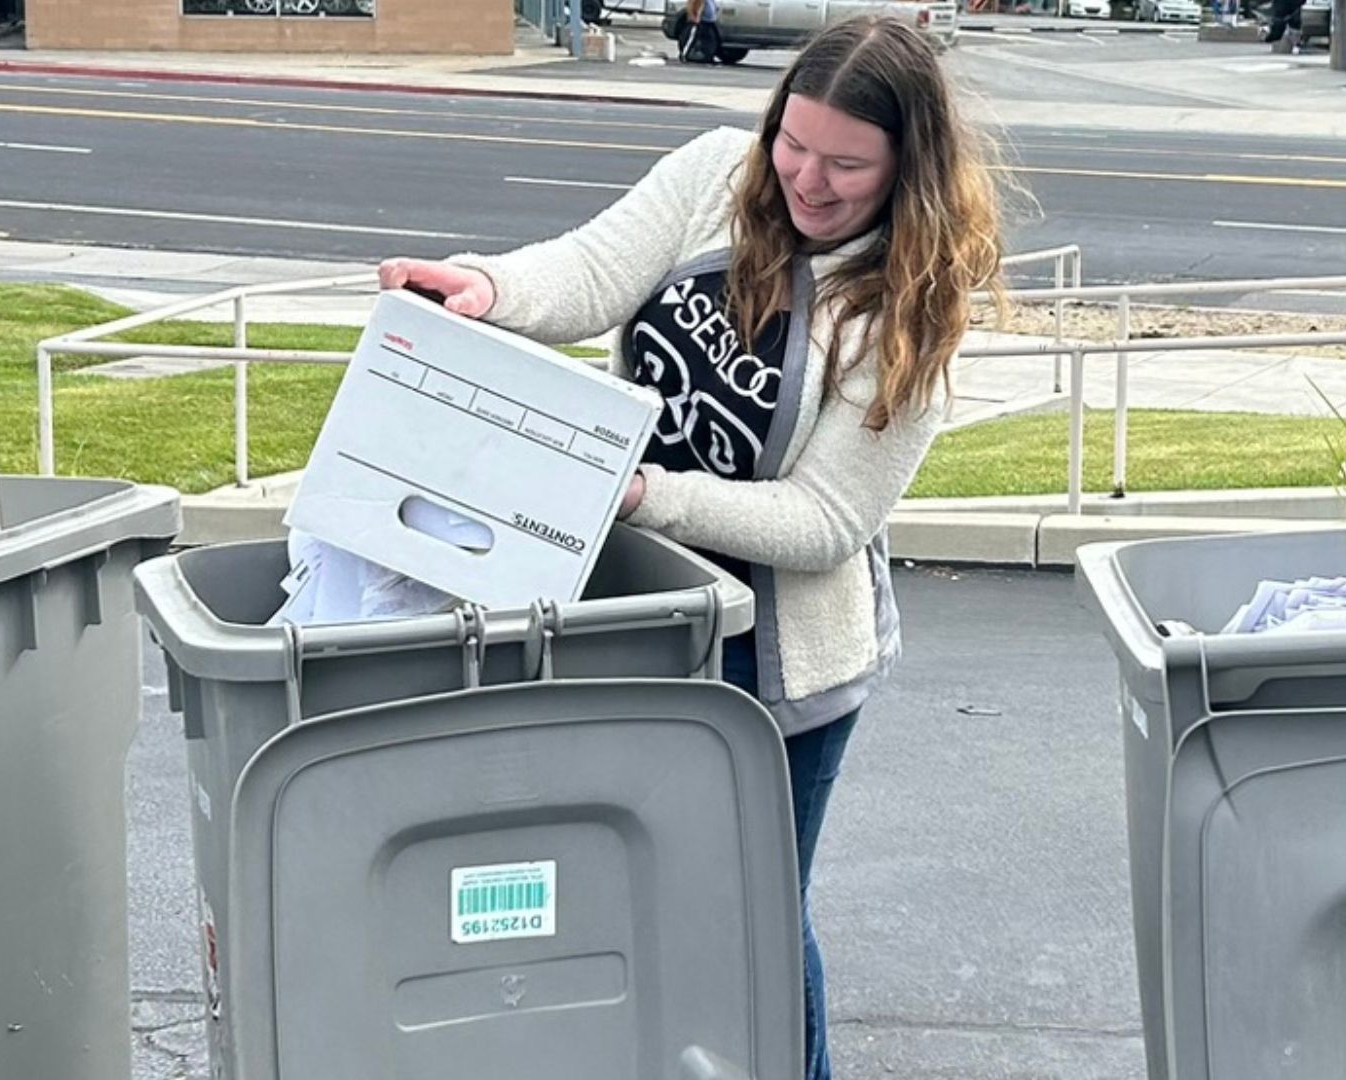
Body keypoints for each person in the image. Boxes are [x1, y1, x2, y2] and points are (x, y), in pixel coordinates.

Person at [377, 15, 1006, 1079]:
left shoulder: (909, 311)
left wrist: (649, 494)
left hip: (779, 662)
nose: (807, 180)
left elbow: (825, 524)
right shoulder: (717, 172)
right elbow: (591, 270)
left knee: (755, 909)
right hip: (638, 618)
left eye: (847, 164)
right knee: (626, 888)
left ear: (909, 167)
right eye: (794, 146)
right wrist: (486, 290)